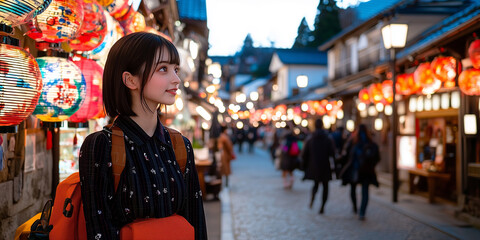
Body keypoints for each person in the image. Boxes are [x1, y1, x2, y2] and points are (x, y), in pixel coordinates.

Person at [79, 32, 207, 239]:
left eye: (176, 69)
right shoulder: (102, 145)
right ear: (130, 79)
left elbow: (196, 222)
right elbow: (99, 229)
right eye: (163, 69)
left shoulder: (180, 145)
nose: (176, 79)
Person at [339, 124, 380, 220]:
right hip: (366, 170)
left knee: (353, 189)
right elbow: (377, 158)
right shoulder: (370, 143)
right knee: (365, 191)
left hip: (355, 169)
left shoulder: (353, 142)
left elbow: (345, 155)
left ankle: (355, 208)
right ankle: (362, 212)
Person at [301, 119, 336, 214]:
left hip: (314, 166)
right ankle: (322, 206)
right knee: (325, 187)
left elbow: (304, 154)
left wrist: (305, 166)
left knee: (315, 185)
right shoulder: (328, 138)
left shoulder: (310, 139)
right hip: (325, 166)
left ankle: (312, 200)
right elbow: (332, 153)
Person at [279, 125, 300, 189]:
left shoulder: (286, 139)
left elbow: (285, 149)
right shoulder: (294, 138)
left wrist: (282, 148)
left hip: (286, 158)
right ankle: (291, 180)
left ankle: (285, 183)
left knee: (285, 170)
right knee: (291, 171)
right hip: (293, 157)